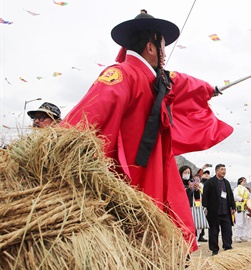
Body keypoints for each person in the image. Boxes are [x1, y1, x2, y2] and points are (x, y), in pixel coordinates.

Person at [62, 10, 233, 252]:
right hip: (127, 178)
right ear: (151, 47)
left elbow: (182, 82)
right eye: (163, 46)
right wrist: (59, 149)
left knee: (163, 237)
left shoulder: (156, 79)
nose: (164, 53)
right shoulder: (121, 74)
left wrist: (209, 89)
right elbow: (87, 117)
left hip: (152, 170)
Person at [202, 164, 236, 255]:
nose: (224, 171)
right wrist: (205, 207)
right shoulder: (210, 182)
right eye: (222, 169)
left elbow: (230, 195)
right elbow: (205, 196)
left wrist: (233, 207)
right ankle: (214, 249)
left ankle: (227, 246)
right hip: (214, 211)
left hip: (225, 211)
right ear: (217, 171)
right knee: (213, 231)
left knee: (227, 230)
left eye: (225, 170)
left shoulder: (226, 182)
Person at [233, 177, 251, 242]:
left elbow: (250, 196)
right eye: (243, 181)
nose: (245, 182)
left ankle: (242, 235)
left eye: (245, 181)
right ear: (240, 181)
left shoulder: (245, 189)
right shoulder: (237, 189)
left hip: (245, 207)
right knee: (239, 222)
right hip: (239, 206)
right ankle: (237, 236)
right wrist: (241, 199)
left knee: (245, 222)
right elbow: (235, 196)